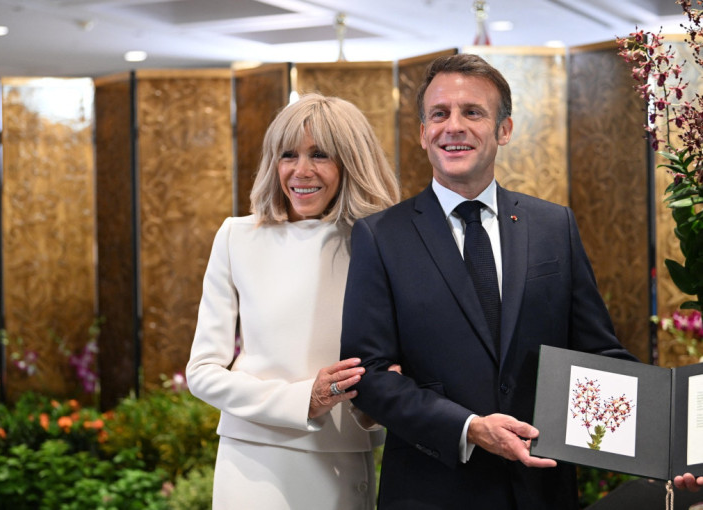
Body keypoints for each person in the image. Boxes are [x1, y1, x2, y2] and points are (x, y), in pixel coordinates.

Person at [339, 54, 637, 509]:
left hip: (541, 490)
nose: (453, 126)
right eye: (439, 114)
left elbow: (597, 354)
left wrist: (670, 444)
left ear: (504, 130)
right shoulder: (380, 237)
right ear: (423, 133)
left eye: (472, 112)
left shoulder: (554, 226)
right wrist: (469, 428)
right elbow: (370, 376)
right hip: (432, 493)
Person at [186, 93, 400, 510]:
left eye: (319, 154)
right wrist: (305, 400)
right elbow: (202, 372)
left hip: (343, 458)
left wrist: (380, 399)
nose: (301, 171)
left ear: (352, 161)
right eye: (288, 155)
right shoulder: (236, 237)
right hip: (254, 462)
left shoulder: (379, 244)